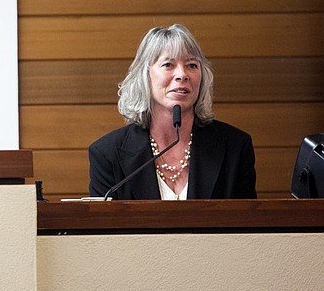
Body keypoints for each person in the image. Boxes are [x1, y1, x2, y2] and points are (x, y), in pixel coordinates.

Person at [88, 24, 256, 200]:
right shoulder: (107, 154)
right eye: (168, 64)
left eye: (191, 65)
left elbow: (246, 223)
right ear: (145, 76)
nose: (182, 75)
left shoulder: (235, 147)